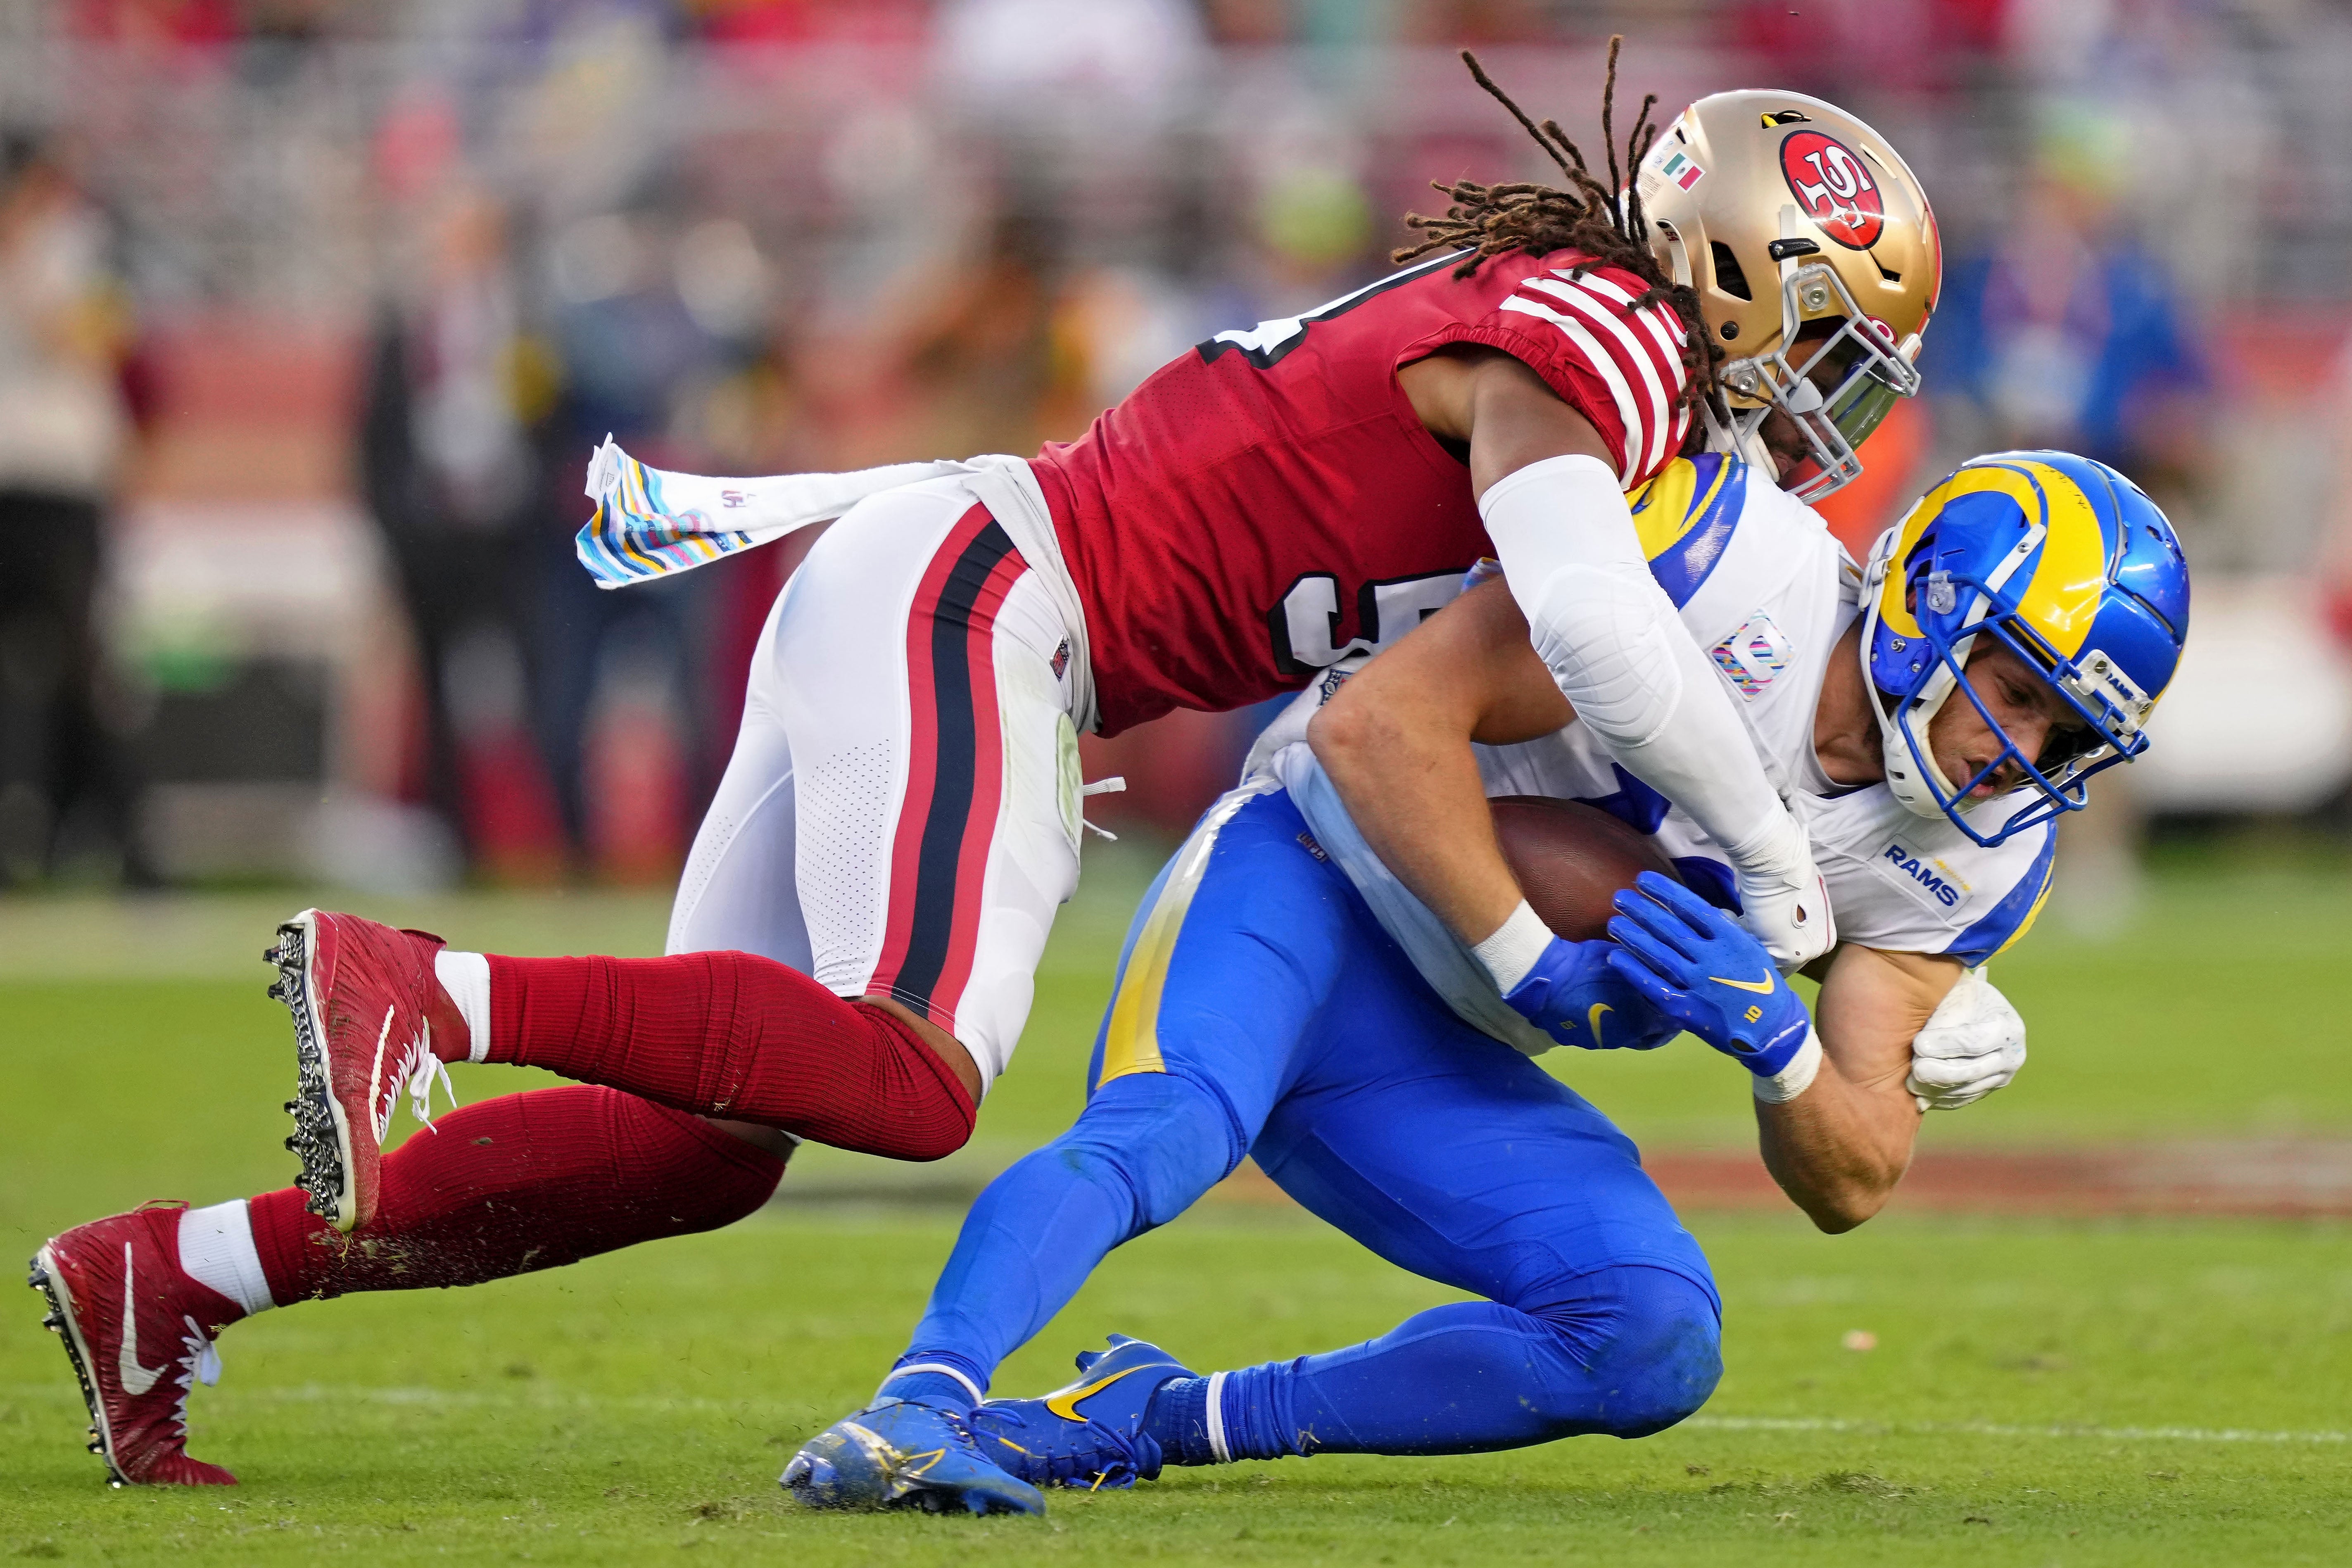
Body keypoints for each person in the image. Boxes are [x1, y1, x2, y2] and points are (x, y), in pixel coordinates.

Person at [26, 48, 1938, 1487]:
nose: (1834, 400)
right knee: (913, 1074)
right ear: (1736, 271)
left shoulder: (1575, 330)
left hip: (943, 584)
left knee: (698, 1147)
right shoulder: (1604, 337)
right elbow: (1593, 630)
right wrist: (1779, 872)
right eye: (1835, 343)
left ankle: (175, 1274)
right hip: (996, 605)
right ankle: (427, 989)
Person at [782, 449, 2192, 1516]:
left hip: (1433, 1038)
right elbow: (1378, 727)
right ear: (1933, 598)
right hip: (1309, 872)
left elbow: (1860, 1168)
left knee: (1649, 1331)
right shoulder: (1725, 565)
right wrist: (1537, 956)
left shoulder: (1984, 857)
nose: (2020, 753)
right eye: (2018, 689)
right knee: (1170, 1125)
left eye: (2065, 732)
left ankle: (1158, 1414)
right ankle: (920, 1401)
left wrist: (1783, 1047)